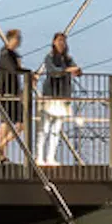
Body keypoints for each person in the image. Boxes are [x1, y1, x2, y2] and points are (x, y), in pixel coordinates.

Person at [36, 27, 78, 160]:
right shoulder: (49, 58)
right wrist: (67, 70)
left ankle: (51, 157)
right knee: (45, 128)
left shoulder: (68, 58)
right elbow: (54, 71)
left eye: (63, 41)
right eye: (59, 41)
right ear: (54, 42)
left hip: (63, 97)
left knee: (56, 130)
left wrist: (77, 70)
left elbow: (75, 69)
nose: (61, 44)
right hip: (50, 95)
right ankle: (39, 156)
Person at [0, 31, 29, 163]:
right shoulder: (6, 55)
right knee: (7, 123)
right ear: (10, 39)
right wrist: (29, 73)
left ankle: (0, 148)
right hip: (7, 93)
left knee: (17, 123)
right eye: (17, 38)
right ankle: (1, 152)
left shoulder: (10, 54)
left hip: (12, 93)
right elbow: (13, 69)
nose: (19, 41)